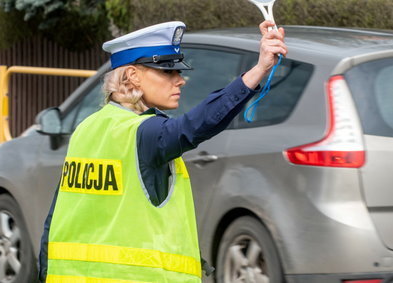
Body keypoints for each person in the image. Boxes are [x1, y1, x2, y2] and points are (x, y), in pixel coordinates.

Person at [38, 20, 287, 283]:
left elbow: (55, 218)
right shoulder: (145, 133)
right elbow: (196, 125)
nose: (181, 80)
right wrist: (259, 69)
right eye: (168, 72)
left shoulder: (86, 128)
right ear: (133, 76)